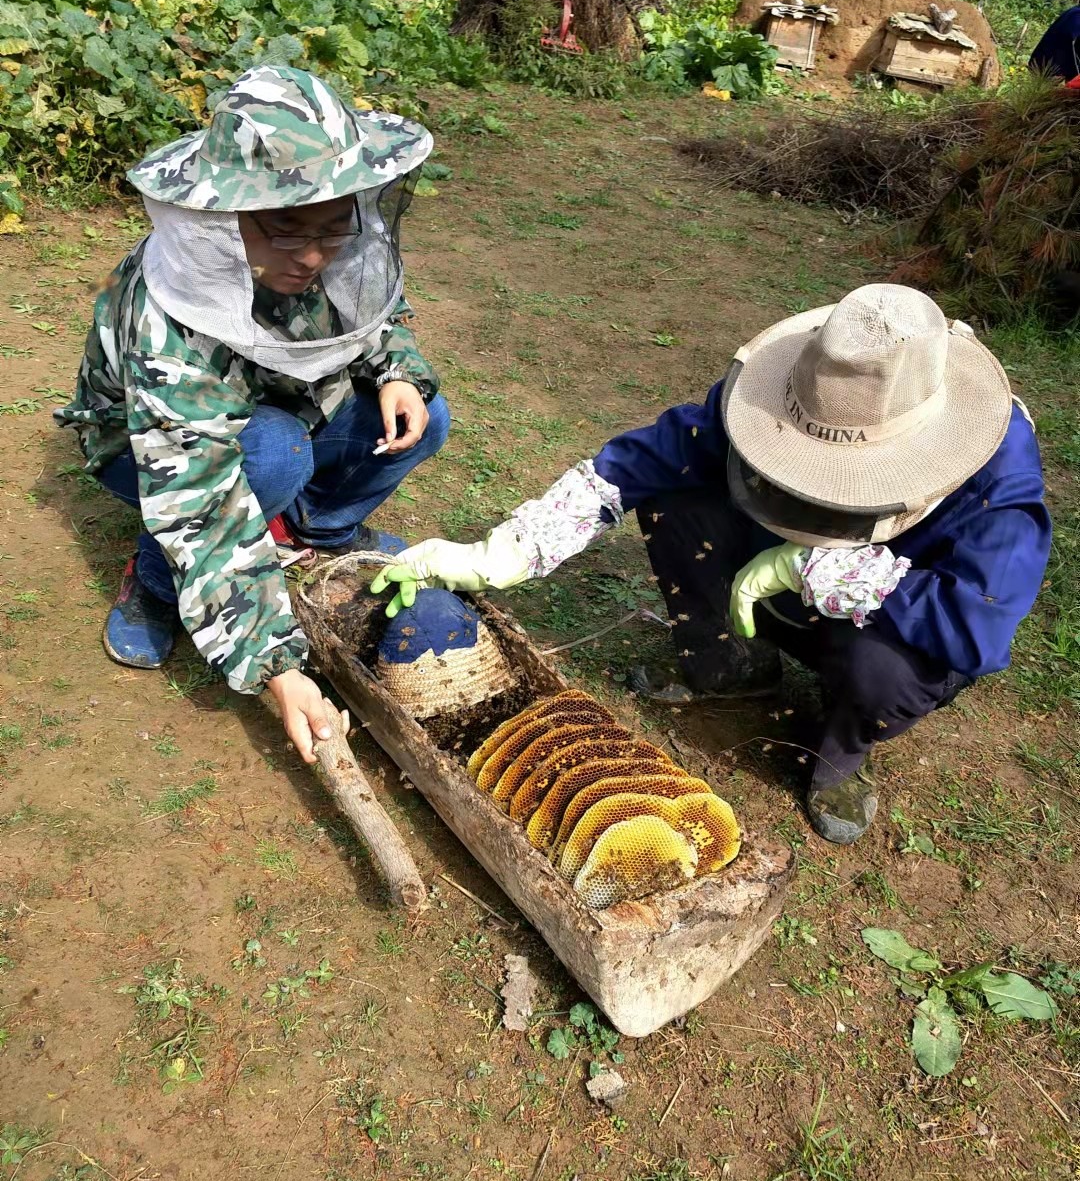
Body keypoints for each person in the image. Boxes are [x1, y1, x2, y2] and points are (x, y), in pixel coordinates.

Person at [371, 285, 1051, 845]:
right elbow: (632, 467)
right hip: (775, 576)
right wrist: (506, 551)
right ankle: (725, 666)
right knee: (678, 499)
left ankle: (840, 752)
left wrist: (822, 572)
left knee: (887, 672)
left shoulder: (992, 475)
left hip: (880, 624)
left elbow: (978, 628)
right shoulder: (782, 392)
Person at [57, 65, 449, 762]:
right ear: (219, 219)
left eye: (333, 229)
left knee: (425, 416)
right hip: (148, 450)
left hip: (273, 411)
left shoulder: (319, 256)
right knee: (274, 453)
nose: (313, 256)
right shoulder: (167, 312)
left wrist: (397, 374)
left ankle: (316, 532)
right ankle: (155, 581)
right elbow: (197, 492)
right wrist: (280, 669)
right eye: (286, 232)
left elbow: (374, 315)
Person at [1029, 4, 1080, 82]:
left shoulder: (1074, 12)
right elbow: (1074, 45)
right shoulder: (1076, 16)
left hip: (1057, 68)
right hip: (1049, 71)